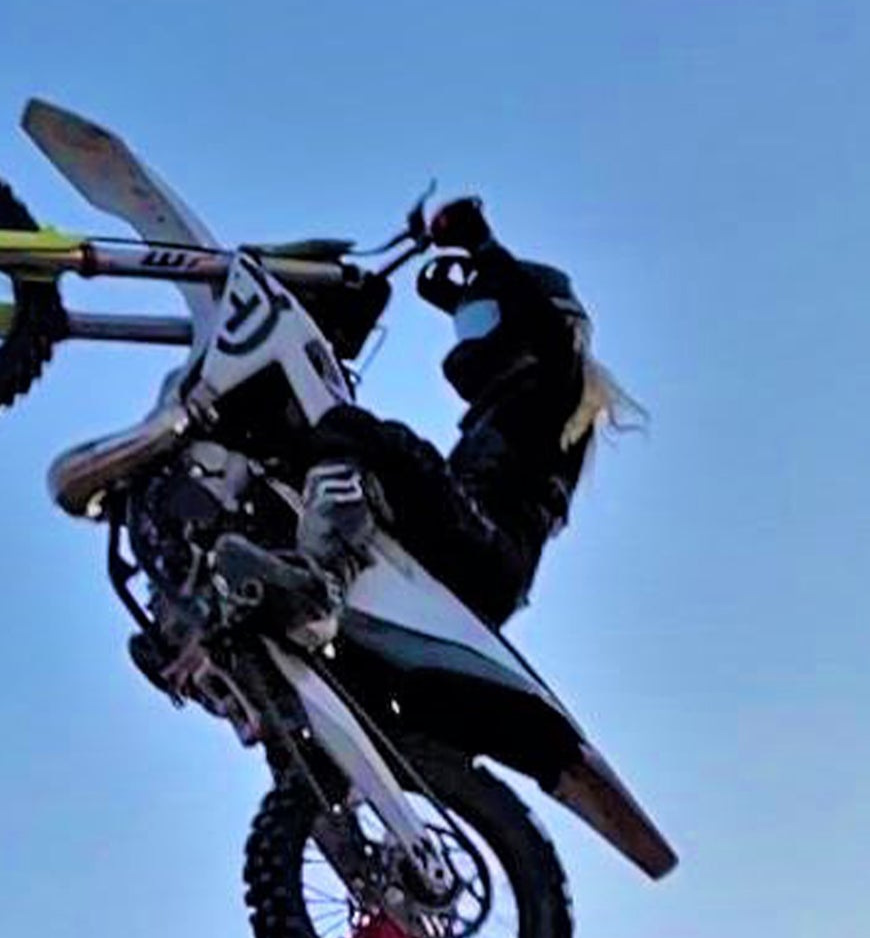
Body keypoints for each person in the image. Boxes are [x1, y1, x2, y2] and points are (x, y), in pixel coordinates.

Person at [213, 196, 637, 645]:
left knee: (365, 435)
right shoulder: (502, 416)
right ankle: (222, 608)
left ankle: (319, 584)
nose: (469, 339)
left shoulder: (557, 388)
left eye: (480, 321)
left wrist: (483, 247)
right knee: (323, 458)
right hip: (476, 556)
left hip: (490, 555)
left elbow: (549, 332)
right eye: (465, 325)